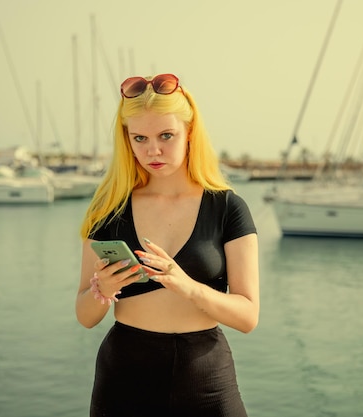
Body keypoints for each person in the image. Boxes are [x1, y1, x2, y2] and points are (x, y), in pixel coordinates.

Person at [75, 73, 259, 417]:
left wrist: (188, 287)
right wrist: (103, 288)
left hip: (207, 378)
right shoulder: (108, 208)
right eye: (139, 138)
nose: (152, 150)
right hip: (124, 378)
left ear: (190, 133)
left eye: (166, 136)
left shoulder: (227, 208)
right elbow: (85, 315)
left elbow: (248, 317)